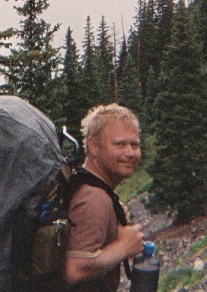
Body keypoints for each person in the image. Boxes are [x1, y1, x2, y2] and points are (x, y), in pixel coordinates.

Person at [62, 104, 146, 292]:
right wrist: (124, 247)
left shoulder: (92, 189)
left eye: (135, 144)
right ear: (93, 147)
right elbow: (74, 269)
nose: (131, 153)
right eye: (120, 144)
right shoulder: (94, 198)